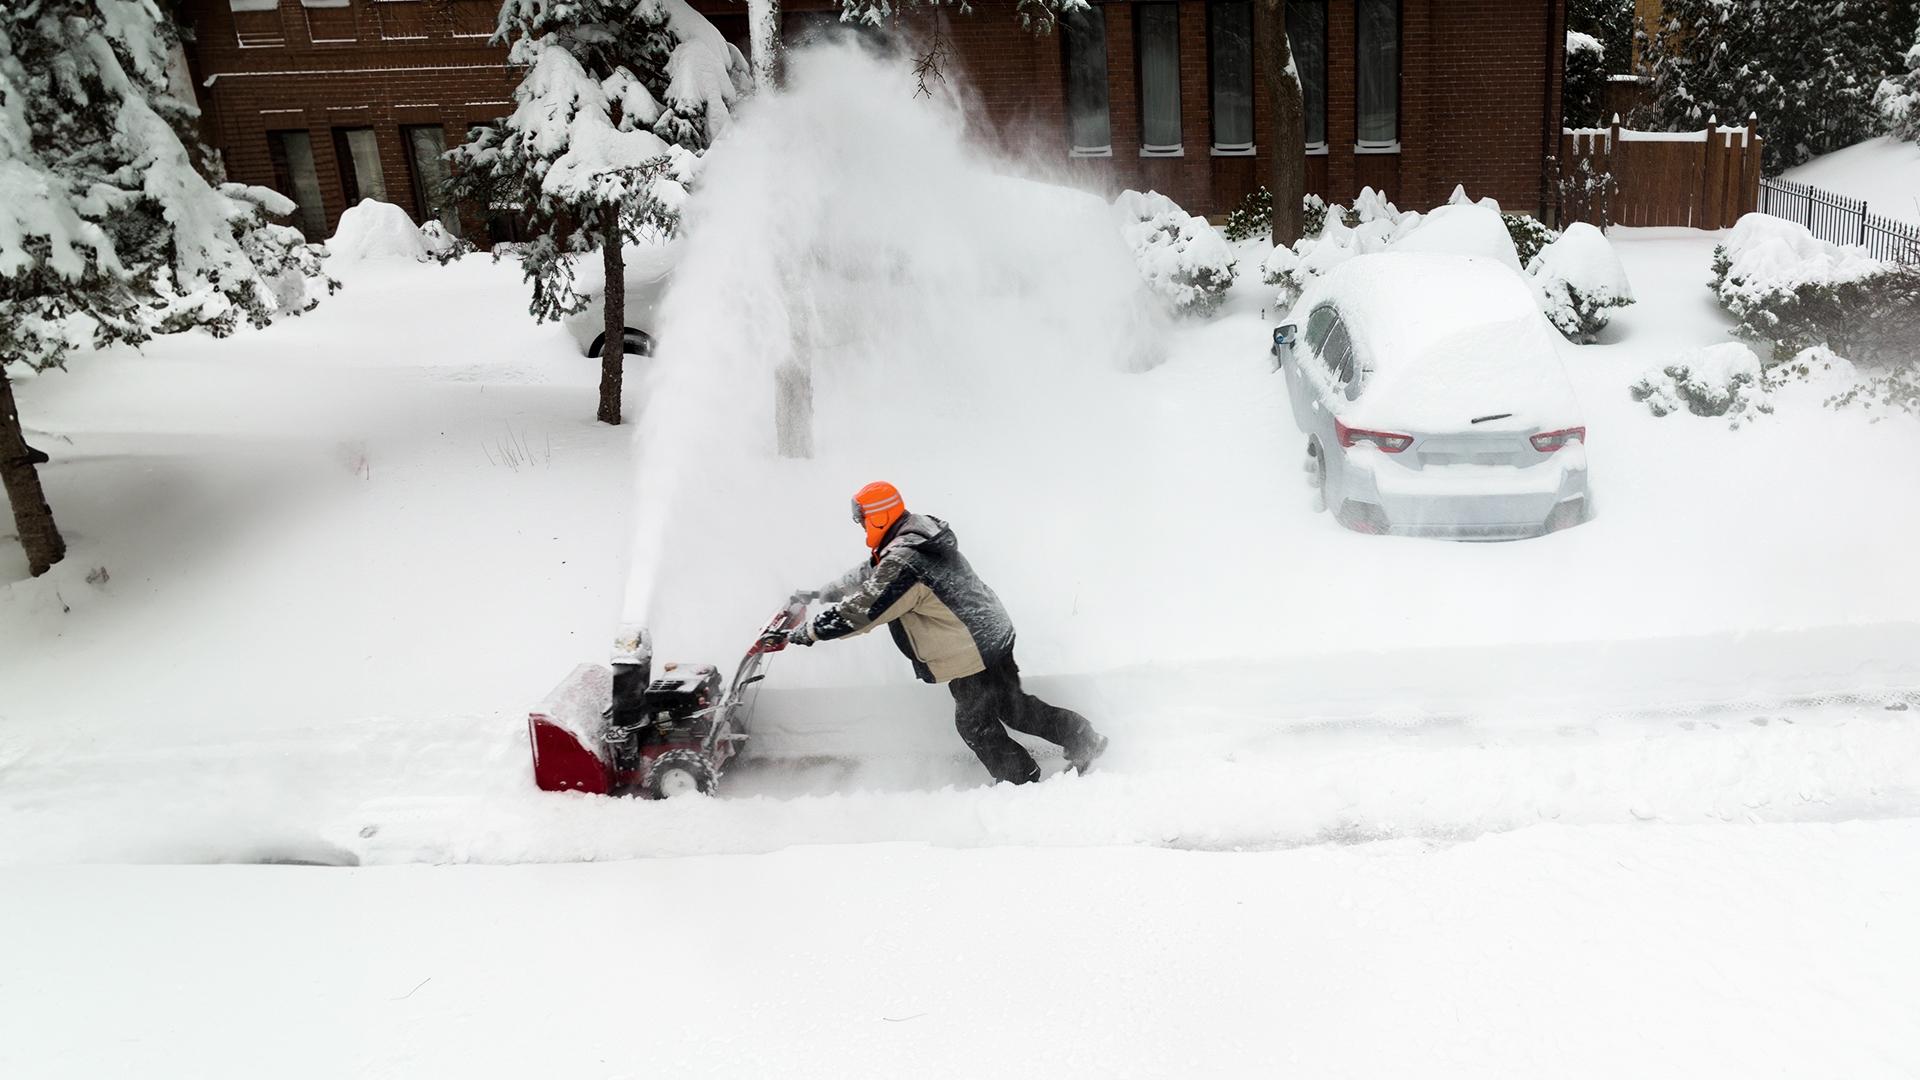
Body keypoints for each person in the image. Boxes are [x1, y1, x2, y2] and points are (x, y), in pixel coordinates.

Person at [774, 481, 1107, 784]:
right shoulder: (911, 535)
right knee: (1012, 708)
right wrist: (821, 595)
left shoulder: (906, 560)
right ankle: (1083, 741)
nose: (860, 525)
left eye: (862, 518)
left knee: (975, 724)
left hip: (972, 648)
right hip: (988, 633)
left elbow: (864, 611)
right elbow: (870, 574)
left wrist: (806, 633)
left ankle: (1021, 782)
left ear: (878, 517)